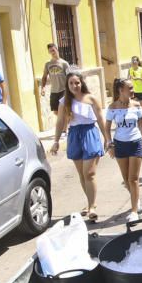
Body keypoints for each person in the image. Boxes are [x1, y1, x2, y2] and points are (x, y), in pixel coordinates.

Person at [50, 72, 105, 222]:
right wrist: (55, 141)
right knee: (82, 174)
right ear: (67, 86)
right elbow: (60, 122)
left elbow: (100, 119)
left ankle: (92, 206)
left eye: (77, 83)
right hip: (74, 135)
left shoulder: (91, 99)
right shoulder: (64, 102)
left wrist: (107, 139)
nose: (75, 86)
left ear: (82, 83)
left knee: (89, 173)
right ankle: (89, 204)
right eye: (71, 83)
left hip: (90, 133)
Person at [104, 78, 142, 222]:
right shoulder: (112, 107)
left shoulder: (136, 105)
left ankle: (134, 211)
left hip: (135, 144)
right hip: (120, 145)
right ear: (120, 90)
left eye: (132, 87)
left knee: (133, 179)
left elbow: (141, 125)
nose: (132, 90)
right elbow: (106, 128)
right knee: (126, 180)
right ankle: (136, 199)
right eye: (129, 88)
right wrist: (110, 145)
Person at [39, 42, 69, 119]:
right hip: (54, 91)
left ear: (56, 49)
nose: (52, 53)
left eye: (53, 50)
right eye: (50, 51)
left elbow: (70, 77)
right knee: (56, 111)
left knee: (64, 110)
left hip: (63, 90)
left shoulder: (64, 63)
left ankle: (65, 127)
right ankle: (66, 122)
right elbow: (44, 77)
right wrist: (43, 88)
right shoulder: (48, 64)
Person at [128, 55, 142, 120]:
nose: (134, 62)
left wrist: (138, 78)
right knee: (133, 106)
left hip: (141, 91)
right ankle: (136, 119)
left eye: (135, 60)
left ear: (138, 62)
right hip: (133, 91)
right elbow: (128, 79)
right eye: (132, 60)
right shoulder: (130, 70)